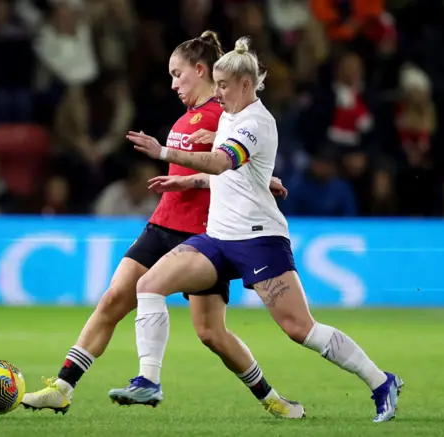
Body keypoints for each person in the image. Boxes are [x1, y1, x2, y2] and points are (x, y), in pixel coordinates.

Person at [109, 37, 403, 423]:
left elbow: (221, 164)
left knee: (300, 328)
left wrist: (163, 153)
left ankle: (382, 381)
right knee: (148, 286)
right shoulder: (230, 114)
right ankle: (149, 380)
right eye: (215, 85)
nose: (217, 93)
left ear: (246, 85)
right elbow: (232, 179)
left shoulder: (256, 123)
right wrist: (188, 182)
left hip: (259, 239)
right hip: (217, 238)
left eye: (224, 86)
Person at [22, 30, 303, 419]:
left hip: (203, 236)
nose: (172, 84)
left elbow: (242, 160)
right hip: (162, 224)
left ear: (201, 70)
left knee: (211, 334)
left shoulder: (229, 114)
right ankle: (63, 387)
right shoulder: (189, 116)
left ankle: (273, 400)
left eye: (178, 74)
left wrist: (266, 178)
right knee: (112, 300)